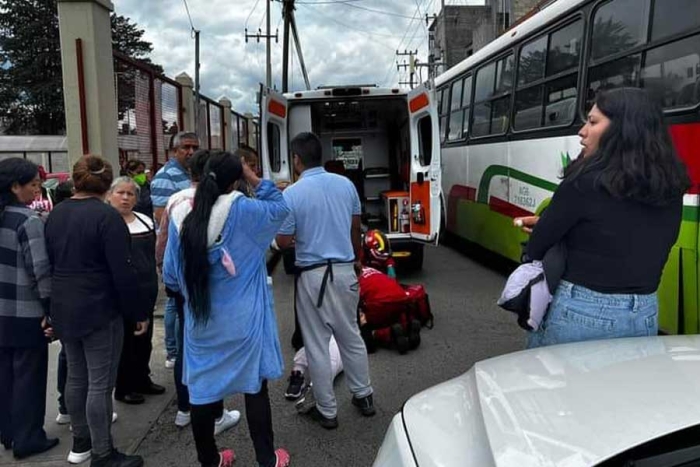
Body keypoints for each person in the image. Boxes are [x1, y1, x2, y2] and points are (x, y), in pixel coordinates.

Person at [514, 87, 691, 348]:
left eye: (593, 121)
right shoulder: (672, 185)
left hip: (581, 311)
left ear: (622, 129)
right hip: (644, 312)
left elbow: (538, 246)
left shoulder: (584, 182)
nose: (582, 131)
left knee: (559, 387)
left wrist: (548, 228)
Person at [163, 150, 290, 467]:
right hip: (245, 323)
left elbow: (170, 276)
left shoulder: (183, 218)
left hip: (202, 323)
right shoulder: (245, 210)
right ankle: (266, 458)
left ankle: (210, 459)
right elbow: (280, 209)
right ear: (236, 180)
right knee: (255, 386)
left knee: (203, 393)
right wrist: (252, 176)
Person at [45, 155, 148, 467]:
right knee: (100, 384)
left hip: (64, 305)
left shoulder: (57, 214)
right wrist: (137, 312)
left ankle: (81, 442)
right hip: (100, 308)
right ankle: (103, 453)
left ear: (77, 180)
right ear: (107, 184)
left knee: (77, 377)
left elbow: (49, 262)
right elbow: (122, 271)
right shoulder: (107, 218)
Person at [276, 132, 375, 431]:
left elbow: (282, 242)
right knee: (351, 336)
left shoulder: (292, 193)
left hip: (313, 275)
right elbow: (356, 228)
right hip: (346, 270)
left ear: (296, 159)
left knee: (317, 344)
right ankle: (364, 395)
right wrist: (355, 260)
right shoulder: (346, 185)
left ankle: (327, 410)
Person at [156, 149, 241, 433]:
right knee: (209, 347)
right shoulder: (222, 203)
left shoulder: (175, 199)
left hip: (178, 282)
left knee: (186, 345)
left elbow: (164, 241)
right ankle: (215, 413)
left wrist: (165, 273)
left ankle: (184, 409)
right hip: (205, 284)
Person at [0, 158, 58, 459]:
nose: (38, 191)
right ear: (14, 186)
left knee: (5, 377)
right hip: (25, 313)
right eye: (33, 184)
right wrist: (50, 309)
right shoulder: (28, 220)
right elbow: (40, 272)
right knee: (29, 379)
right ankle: (28, 438)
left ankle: (9, 433)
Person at [107, 177, 165, 405]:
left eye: (130, 194)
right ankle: (124, 387)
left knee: (145, 338)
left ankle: (142, 378)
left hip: (147, 289)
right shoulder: (108, 222)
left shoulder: (144, 220)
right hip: (121, 293)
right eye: (120, 193)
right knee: (126, 342)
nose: (125, 198)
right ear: (110, 195)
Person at [152, 132, 199, 370]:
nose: (190, 152)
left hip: (189, 250)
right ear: (174, 151)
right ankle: (173, 352)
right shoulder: (165, 177)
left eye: (194, 147)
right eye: (185, 147)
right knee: (174, 304)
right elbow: (163, 219)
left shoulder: (189, 175)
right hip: (176, 251)